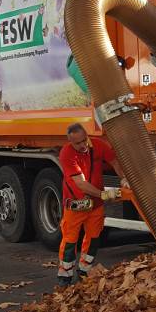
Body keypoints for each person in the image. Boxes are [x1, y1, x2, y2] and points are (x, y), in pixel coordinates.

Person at [56, 123, 128, 286]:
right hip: (76, 205)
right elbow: (80, 184)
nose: (82, 145)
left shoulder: (98, 145)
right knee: (70, 241)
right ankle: (65, 275)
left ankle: (84, 270)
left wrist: (123, 178)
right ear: (70, 142)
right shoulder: (66, 153)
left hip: (95, 205)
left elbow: (114, 161)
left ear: (87, 136)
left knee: (94, 237)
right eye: (77, 143)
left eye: (84, 140)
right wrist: (102, 194)